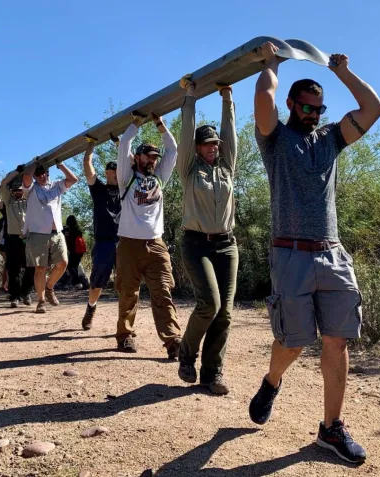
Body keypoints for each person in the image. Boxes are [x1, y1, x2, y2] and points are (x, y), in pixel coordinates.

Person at [248, 42, 380, 464]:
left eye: (318, 109)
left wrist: (343, 71)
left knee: (338, 340)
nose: (312, 115)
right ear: (293, 104)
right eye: (306, 107)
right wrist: (271, 63)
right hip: (290, 255)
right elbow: (264, 98)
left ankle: (330, 429)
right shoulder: (274, 139)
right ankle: (272, 381)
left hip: (332, 253)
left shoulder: (331, 139)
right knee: (292, 342)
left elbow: (373, 107)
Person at [175, 82, 238, 395]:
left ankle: (212, 375)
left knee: (224, 313)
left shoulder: (227, 167)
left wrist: (227, 99)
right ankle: (186, 354)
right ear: (198, 147)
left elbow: (232, 134)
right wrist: (190, 98)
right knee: (209, 304)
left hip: (227, 245)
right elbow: (185, 135)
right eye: (206, 143)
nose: (212, 146)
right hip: (197, 243)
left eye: (215, 142)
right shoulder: (188, 169)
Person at [114, 112, 181, 358]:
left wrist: (160, 124)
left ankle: (173, 341)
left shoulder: (159, 178)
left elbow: (172, 150)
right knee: (128, 293)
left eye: (155, 157)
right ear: (139, 157)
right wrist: (137, 122)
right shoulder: (126, 178)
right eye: (149, 156)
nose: (153, 160)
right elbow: (124, 144)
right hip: (129, 244)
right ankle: (125, 336)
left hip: (156, 244)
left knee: (163, 291)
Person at [21, 160, 78, 313]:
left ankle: (49, 287)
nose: (41, 176)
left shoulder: (56, 186)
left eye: (43, 172)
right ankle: (41, 301)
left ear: (48, 173)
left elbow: (73, 179)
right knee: (40, 268)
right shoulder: (31, 189)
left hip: (57, 232)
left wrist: (61, 165)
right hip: (38, 233)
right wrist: (34, 163)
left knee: (63, 263)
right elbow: (26, 176)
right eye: (37, 174)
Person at [80, 138, 121, 331]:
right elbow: (87, 165)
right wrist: (91, 144)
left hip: (125, 242)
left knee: (127, 284)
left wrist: (120, 143)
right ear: (107, 172)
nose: (118, 172)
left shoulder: (127, 189)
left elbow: (132, 164)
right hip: (104, 243)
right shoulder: (99, 190)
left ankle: (125, 323)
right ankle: (91, 308)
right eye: (114, 170)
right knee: (97, 284)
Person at [0, 171, 32, 307]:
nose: (18, 192)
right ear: (12, 191)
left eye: (20, 190)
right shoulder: (8, 203)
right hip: (12, 240)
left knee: (31, 267)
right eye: (15, 190)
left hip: (27, 239)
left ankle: (26, 292)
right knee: (13, 269)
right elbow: (3, 184)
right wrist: (16, 172)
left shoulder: (28, 201)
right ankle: (15, 296)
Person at [57, 215, 90, 290]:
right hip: (79, 252)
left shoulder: (66, 230)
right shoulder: (78, 230)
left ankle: (77, 283)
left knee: (70, 267)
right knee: (74, 267)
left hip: (72, 251)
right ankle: (80, 283)